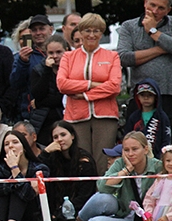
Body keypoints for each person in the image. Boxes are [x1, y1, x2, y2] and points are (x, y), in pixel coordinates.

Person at [57, 12, 122, 174]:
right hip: (76, 116)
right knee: (81, 160)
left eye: (96, 31)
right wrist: (91, 84)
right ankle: (82, 197)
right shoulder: (68, 57)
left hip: (105, 115)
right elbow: (62, 84)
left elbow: (114, 86)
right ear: (80, 32)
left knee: (102, 160)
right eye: (87, 30)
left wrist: (86, 95)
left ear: (101, 33)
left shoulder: (112, 56)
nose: (91, 35)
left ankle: (103, 196)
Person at [117, 0, 172, 140]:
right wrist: (165, 47)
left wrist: (153, 31)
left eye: (161, 8)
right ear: (145, 2)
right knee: (140, 143)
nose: (155, 11)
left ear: (168, 10)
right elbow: (124, 57)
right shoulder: (129, 26)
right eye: (152, 5)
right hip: (141, 96)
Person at [78, 131, 161, 221]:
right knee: (101, 198)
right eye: (126, 150)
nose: (130, 154)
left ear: (145, 149)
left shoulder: (158, 166)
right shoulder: (120, 163)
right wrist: (126, 170)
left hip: (147, 219)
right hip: (125, 214)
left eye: (135, 149)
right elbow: (102, 186)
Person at [39, 120, 98, 221]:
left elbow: (86, 194)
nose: (59, 139)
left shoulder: (84, 160)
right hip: (57, 209)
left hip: (79, 210)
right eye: (55, 137)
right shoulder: (52, 159)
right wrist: (45, 153)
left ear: (72, 135)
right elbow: (36, 172)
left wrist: (64, 211)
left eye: (63, 135)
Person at [10, 14, 53, 123]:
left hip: (58, 110)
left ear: (50, 30)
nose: (38, 33)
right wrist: (23, 62)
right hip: (33, 112)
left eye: (41, 29)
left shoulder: (60, 51)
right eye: (34, 30)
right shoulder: (24, 56)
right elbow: (15, 83)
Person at [139, 144, 172, 221]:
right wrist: (148, 213)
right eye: (168, 161)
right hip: (157, 214)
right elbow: (149, 198)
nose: (170, 164)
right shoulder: (160, 179)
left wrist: (168, 217)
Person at [123, 80, 172, 159]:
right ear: (138, 97)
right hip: (136, 158)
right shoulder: (134, 117)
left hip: (157, 159)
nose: (146, 98)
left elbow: (166, 139)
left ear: (156, 97)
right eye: (142, 95)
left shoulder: (162, 117)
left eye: (150, 95)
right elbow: (126, 136)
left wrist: (162, 156)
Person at [29, 35, 68, 134]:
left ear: (66, 51)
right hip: (43, 120)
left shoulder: (72, 70)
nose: (55, 56)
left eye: (59, 52)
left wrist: (39, 103)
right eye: (51, 53)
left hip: (65, 117)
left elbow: (66, 97)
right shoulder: (38, 70)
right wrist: (47, 70)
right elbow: (38, 94)